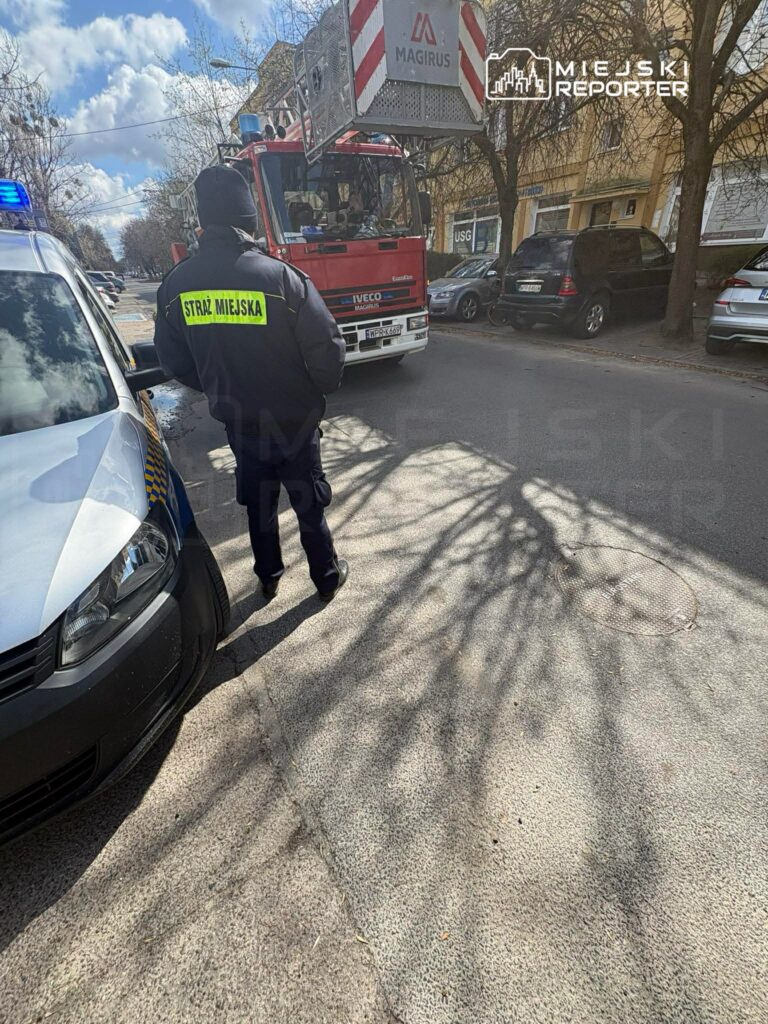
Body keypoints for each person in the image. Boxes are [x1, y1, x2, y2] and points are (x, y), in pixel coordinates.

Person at [153, 164, 348, 603]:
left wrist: (216, 382)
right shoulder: (282, 279)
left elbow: (172, 361)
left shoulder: (176, 287)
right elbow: (328, 352)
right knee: (309, 504)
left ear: (203, 223)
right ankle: (327, 576)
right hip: (295, 423)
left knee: (259, 506)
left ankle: (269, 576)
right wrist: (316, 391)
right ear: (248, 220)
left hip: (241, 426)